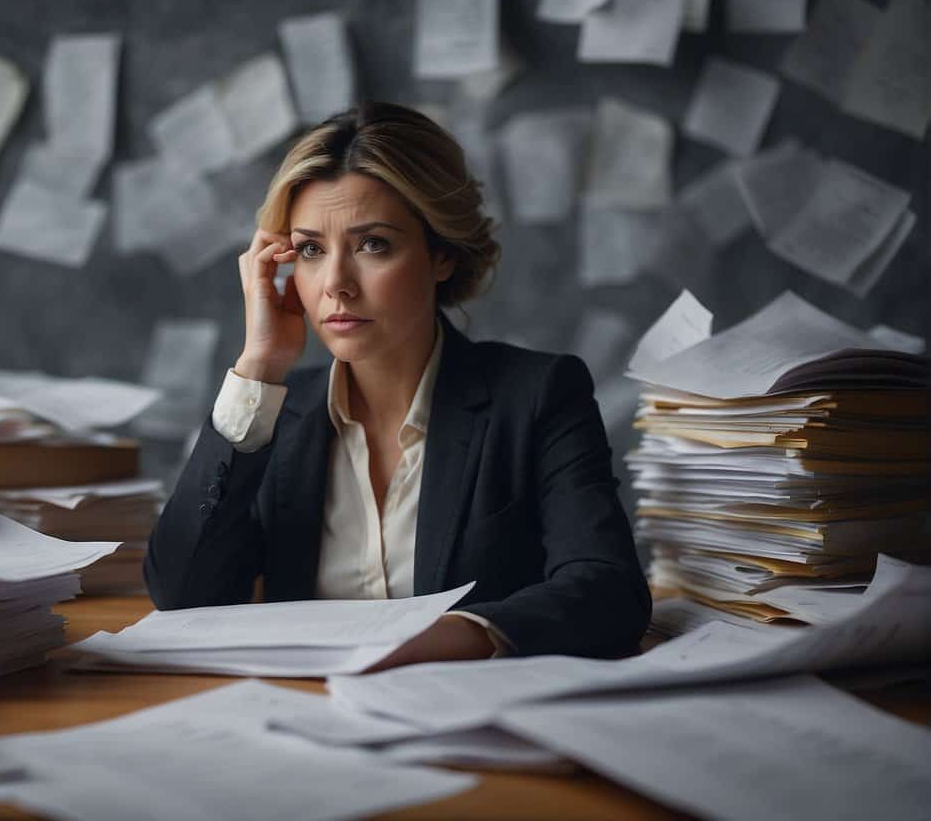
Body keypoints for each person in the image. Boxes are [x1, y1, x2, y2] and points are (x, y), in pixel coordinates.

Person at [144, 101, 650, 670]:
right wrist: (259, 364)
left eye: (373, 244)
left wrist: (445, 639)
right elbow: (183, 597)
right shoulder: (270, 416)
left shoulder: (537, 395)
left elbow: (609, 592)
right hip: (300, 715)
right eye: (310, 249)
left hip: (465, 713)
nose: (336, 283)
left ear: (441, 255)